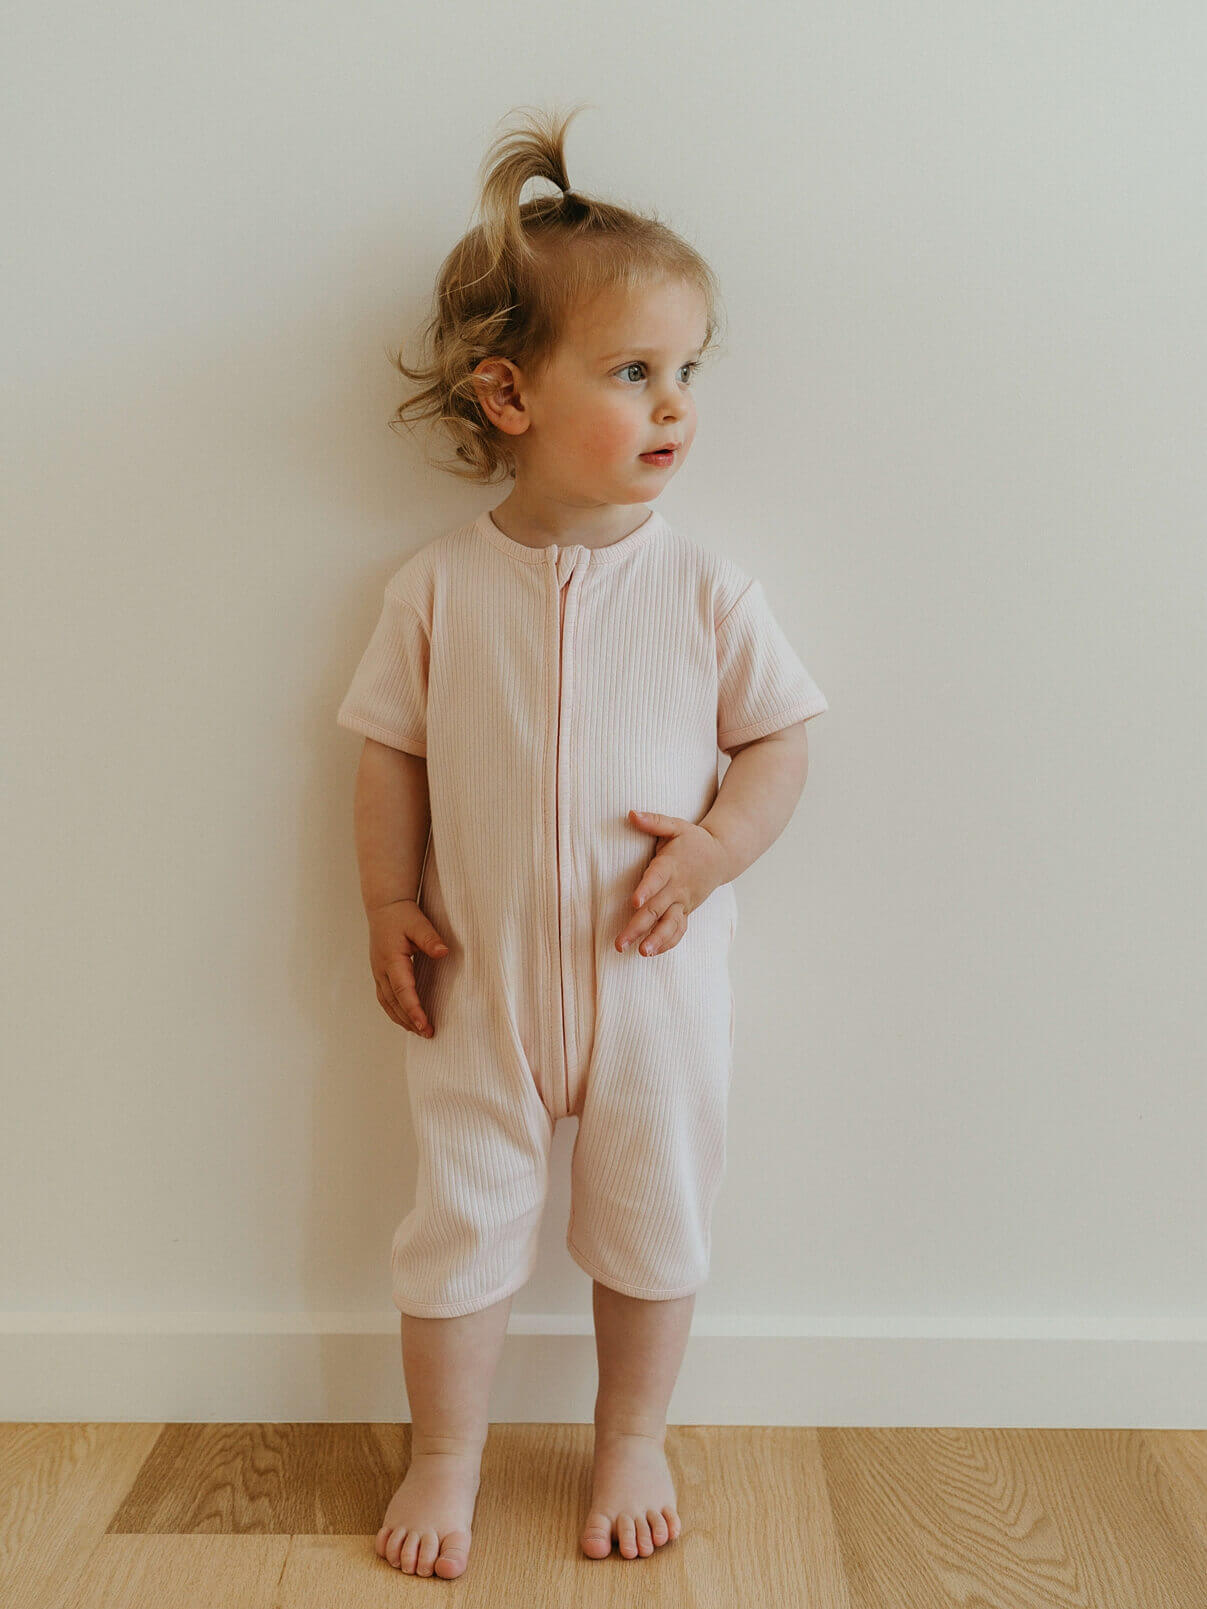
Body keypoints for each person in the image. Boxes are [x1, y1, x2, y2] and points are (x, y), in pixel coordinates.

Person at [337, 104, 828, 1580]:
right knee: (457, 1227)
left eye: (686, 371)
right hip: (479, 979)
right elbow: (389, 750)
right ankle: (447, 1452)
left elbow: (784, 735)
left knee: (653, 1215)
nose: (674, 405)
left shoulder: (704, 588)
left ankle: (631, 1433)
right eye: (631, 372)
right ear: (510, 393)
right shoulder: (436, 587)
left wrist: (718, 848)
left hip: (652, 983)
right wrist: (384, 899)